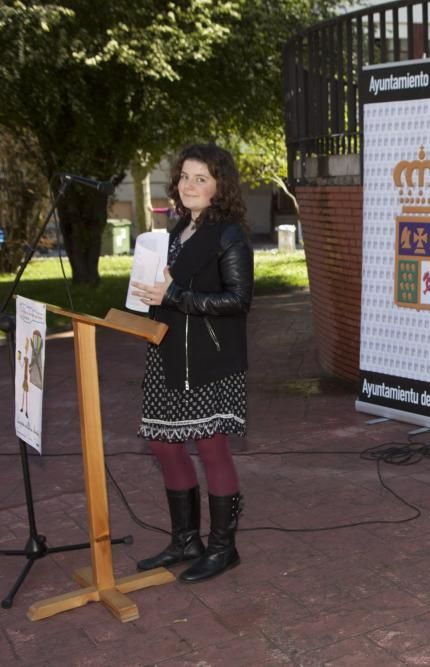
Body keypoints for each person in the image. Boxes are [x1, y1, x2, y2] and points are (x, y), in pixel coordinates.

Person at [130, 143, 254, 583]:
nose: (190, 185)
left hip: (211, 360)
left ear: (220, 185)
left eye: (201, 178)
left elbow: (239, 300)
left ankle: (224, 548)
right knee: (164, 445)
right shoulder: (176, 230)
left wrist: (175, 297)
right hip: (167, 353)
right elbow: (163, 287)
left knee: (210, 447)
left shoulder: (229, 235)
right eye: (185, 176)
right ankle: (186, 539)